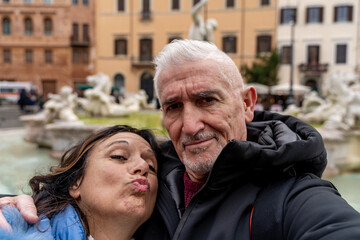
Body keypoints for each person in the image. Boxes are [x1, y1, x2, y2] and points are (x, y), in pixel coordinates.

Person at [2, 40, 360, 239]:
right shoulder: (151, 177)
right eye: (173, 106)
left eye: (207, 100)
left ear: (247, 103)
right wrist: (21, 204)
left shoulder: (293, 197)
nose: (189, 125)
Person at [0, 125, 160, 240]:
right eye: (119, 156)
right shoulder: (13, 228)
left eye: (152, 167)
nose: (143, 166)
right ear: (76, 183)